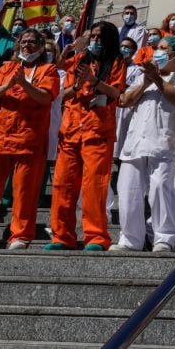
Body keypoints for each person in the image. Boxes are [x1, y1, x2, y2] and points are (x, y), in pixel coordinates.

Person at [0, 29, 60, 249]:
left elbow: (45, 97)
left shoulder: (48, 69)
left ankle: (20, 236)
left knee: (24, 190)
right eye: (24, 42)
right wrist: (7, 85)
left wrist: (24, 84)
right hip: (0, 137)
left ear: (41, 47)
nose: (27, 46)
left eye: (32, 42)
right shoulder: (6, 67)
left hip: (29, 138)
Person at [46, 21, 127, 251]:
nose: (95, 41)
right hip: (70, 131)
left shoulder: (117, 61)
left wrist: (95, 82)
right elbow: (62, 92)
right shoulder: (79, 60)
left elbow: (117, 95)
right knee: (63, 185)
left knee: (94, 187)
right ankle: (62, 236)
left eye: (100, 37)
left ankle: (96, 237)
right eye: (92, 37)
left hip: (97, 131)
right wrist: (77, 80)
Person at [110, 37, 175, 252]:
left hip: (163, 144)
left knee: (161, 189)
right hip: (135, 143)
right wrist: (147, 82)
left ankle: (165, 238)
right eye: (157, 48)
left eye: (164, 49)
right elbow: (125, 100)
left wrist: (156, 78)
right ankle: (130, 240)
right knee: (128, 190)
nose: (158, 52)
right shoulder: (143, 78)